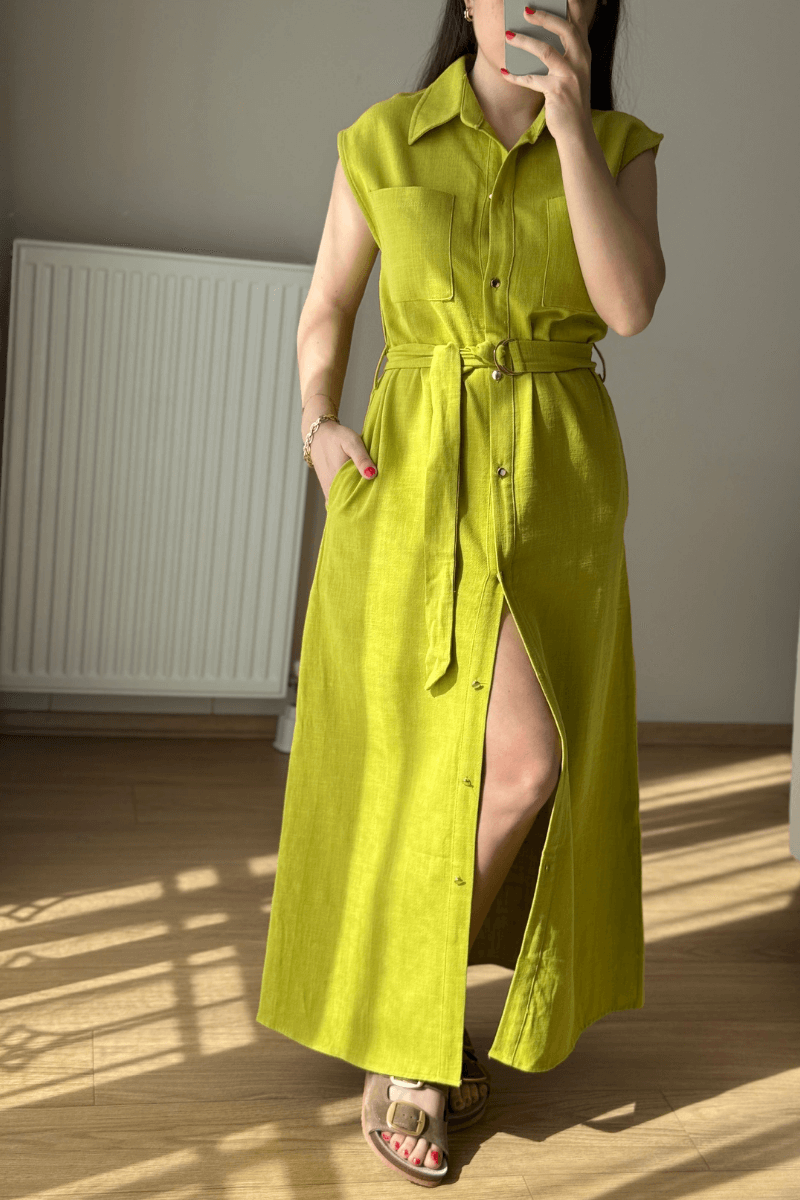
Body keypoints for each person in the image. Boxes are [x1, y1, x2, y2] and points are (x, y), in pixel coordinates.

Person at [256, 0, 665, 1187]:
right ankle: (413, 1040)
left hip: (553, 493)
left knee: (528, 767)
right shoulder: (382, 138)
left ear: (589, 14)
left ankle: (405, 1024)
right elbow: (328, 304)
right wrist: (317, 424)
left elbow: (627, 307)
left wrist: (569, 128)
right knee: (409, 771)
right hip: (409, 482)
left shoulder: (621, 148)